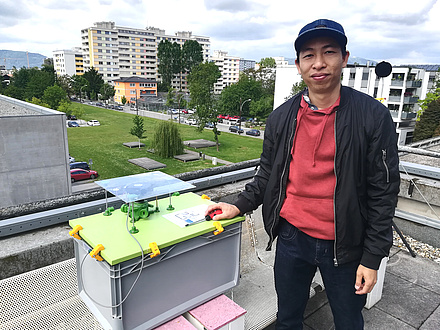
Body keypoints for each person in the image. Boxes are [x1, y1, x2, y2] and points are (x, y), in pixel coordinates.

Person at [206, 18, 400, 329]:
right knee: (288, 319)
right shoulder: (282, 117)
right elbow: (268, 173)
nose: (319, 63)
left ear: (344, 58)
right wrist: (239, 204)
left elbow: (384, 191)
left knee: (349, 321)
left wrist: (372, 257)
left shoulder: (372, 116)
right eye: (309, 55)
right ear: (298, 65)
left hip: (346, 243)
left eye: (329, 52)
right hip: (292, 237)